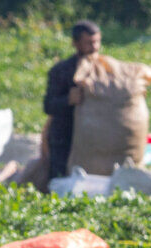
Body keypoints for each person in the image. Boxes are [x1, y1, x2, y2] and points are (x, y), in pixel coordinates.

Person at [43, 21, 102, 182]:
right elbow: (48, 106)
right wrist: (68, 99)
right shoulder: (61, 71)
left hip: (94, 134)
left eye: (97, 42)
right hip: (65, 135)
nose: (94, 47)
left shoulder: (106, 70)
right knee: (60, 178)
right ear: (75, 44)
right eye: (89, 43)